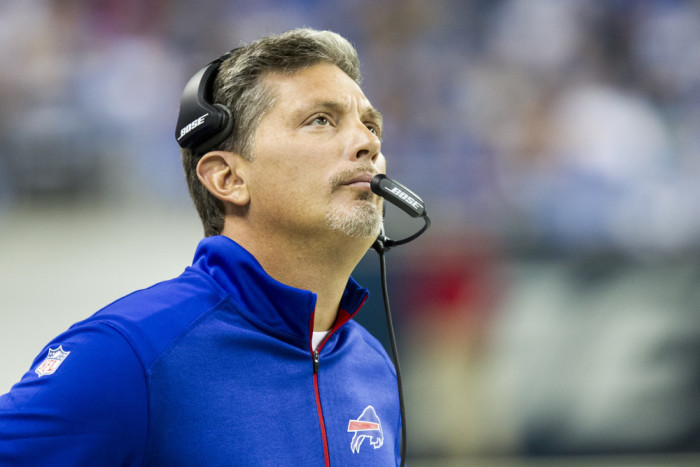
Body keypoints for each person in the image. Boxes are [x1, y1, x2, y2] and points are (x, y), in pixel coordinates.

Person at [0, 28, 401, 465]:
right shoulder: (129, 354)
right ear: (228, 178)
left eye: (370, 124)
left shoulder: (372, 364)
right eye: (320, 120)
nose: (369, 143)